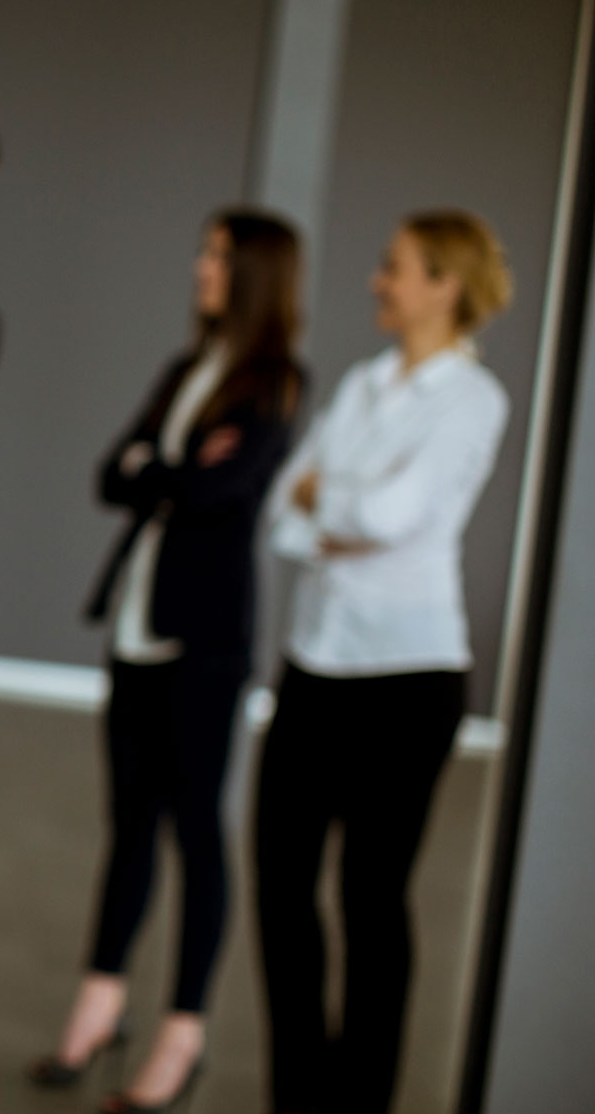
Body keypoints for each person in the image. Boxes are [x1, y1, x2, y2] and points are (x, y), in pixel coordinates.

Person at [30, 210, 304, 1113]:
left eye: (220, 257)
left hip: (206, 644)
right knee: (129, 829)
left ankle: (182, 1035)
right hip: (136, 633)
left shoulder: (276, 385)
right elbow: (114, 475)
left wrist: (165, 465)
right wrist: (173, 465)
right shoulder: (186, 372)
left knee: (197, 834)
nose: (201, 268)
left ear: (255, 273)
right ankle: (99, 1007)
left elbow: (225, 491)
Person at [255, 211, 512, 1114]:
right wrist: (336, 510)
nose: (377, 281)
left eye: (393, 267)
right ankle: (300, 1094)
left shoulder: (473, 400)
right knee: (281, 886)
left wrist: (334, 499)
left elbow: (397, 517)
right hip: (314, 665)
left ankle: (360, 1099)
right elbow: (283, 516)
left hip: (409, 680)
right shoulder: (363, 385)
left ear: (445, 283)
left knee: (371, 899)